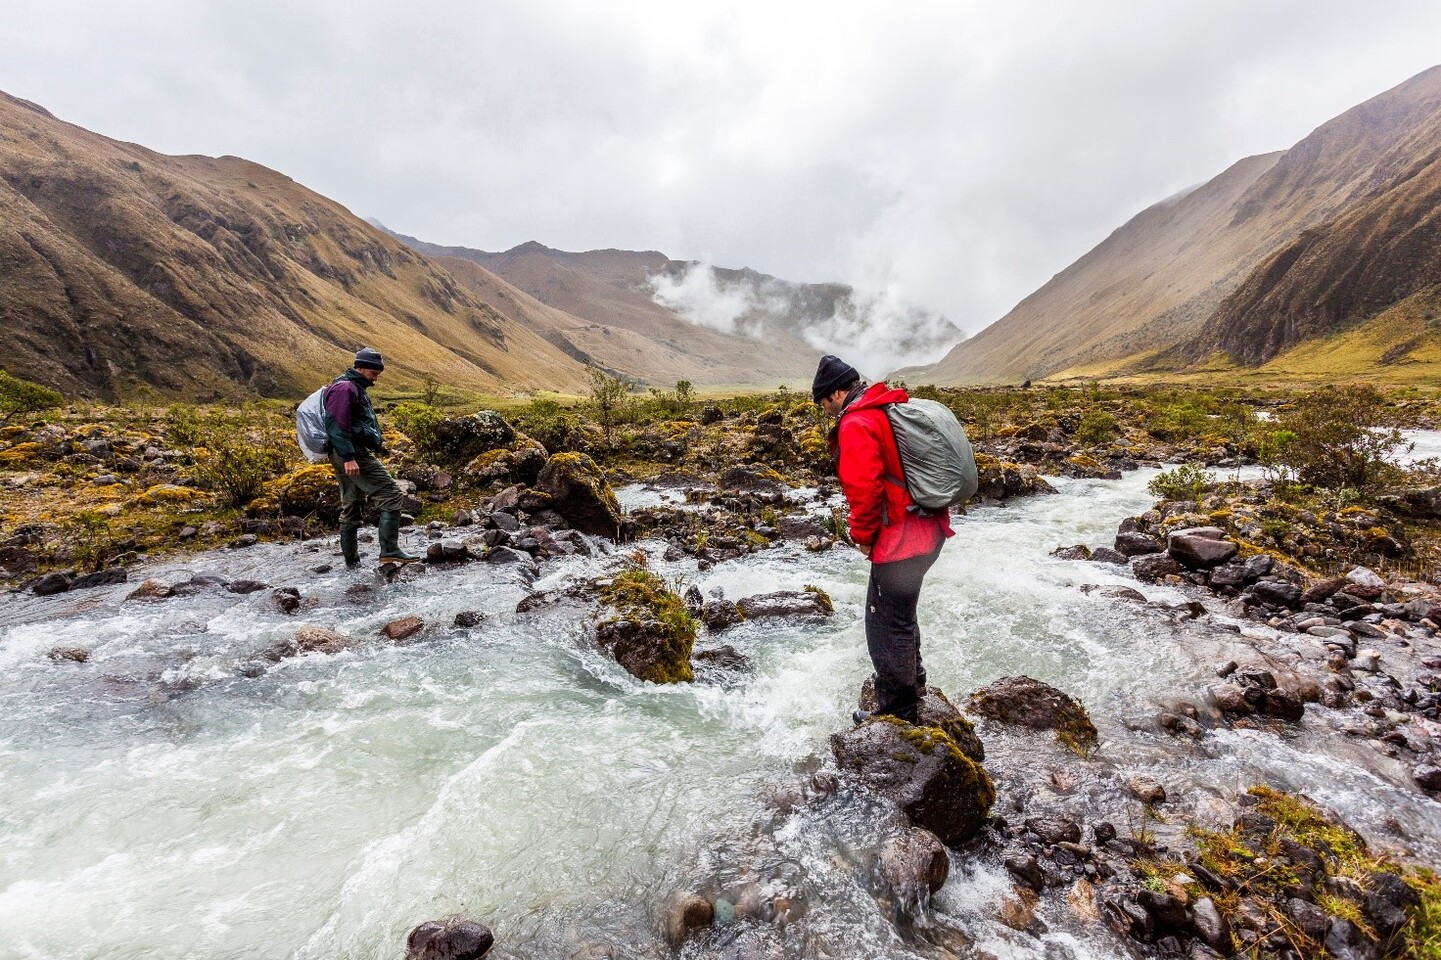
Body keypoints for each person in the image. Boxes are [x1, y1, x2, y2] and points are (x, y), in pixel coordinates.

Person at [814, 355, 954, 725]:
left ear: (838, 392)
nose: (827, 411)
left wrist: (862, 536)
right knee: (902, 616)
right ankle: (915, 684)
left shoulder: (857, 422)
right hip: (929, 530)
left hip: (901, 541)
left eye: (826, 402)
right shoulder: (887, 407)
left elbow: (864, 489)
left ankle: (898, 713)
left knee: (884, 624)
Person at [324, 348, 419, 567]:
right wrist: (349, 457)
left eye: (378, 373)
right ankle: (390, 551)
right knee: (391, 494)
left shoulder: (350, 386)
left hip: (345, 452)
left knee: (352, 503)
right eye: (373, 373)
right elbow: (337, 425)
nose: (376, 378)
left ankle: (351, 561)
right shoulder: (346, 388)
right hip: (351, 453)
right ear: (360, 367)